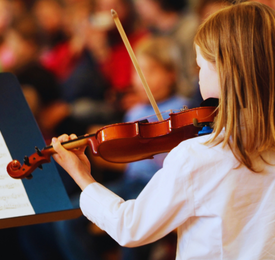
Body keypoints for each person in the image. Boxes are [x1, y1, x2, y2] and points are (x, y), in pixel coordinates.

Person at [50, 2, 275, 259]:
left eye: (200, 66)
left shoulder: (197, 157)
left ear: (227, 72)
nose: (198, 77)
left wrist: (82, 176)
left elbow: (130, 227)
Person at [54, 36, 188, 260]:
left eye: (152, 71)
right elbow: (127, 163)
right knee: (67, 215)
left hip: (157, 185)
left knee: (133, 225)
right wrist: (100, 145)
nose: (142, 78)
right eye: (138, 71)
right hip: (130, 183)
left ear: (171, 74)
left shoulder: (181, 109)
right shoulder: (134, 113)